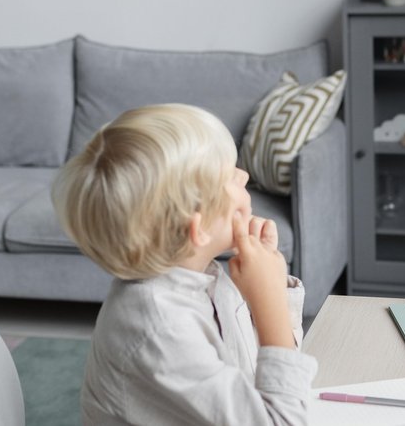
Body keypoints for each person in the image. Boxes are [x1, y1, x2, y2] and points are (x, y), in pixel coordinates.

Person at [51, 103, 317, 425]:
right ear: (199, 228)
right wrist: (269, 299)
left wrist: (267, 293)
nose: (244, 175)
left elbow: (273, 379)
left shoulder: (203, 275)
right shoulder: (161, 327)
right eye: (230, 174)